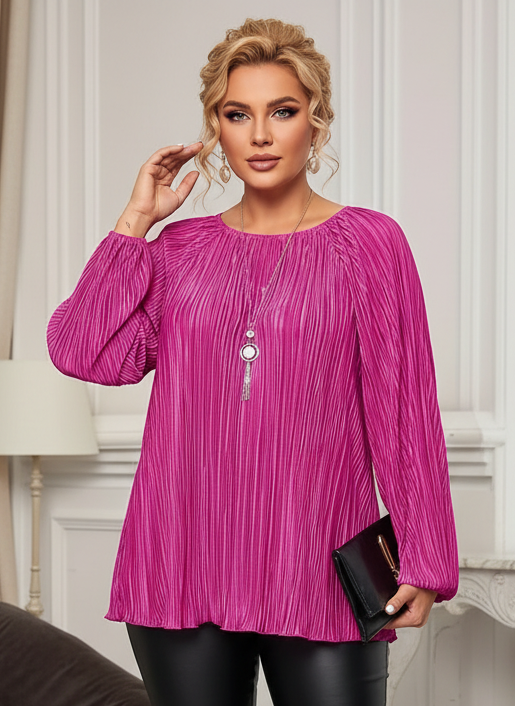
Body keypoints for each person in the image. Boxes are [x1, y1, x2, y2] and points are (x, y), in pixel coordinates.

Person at [46, 18, 459, 706]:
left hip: (318, 565)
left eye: (282, 111)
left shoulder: (368, 244)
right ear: (216, 127)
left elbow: (403, 409)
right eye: (238, 114)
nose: (260, 135)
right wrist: (134, 224)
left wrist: (425, 556)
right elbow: (80, 350)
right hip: (182, 560)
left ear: (315, 122)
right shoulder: (179, 251)